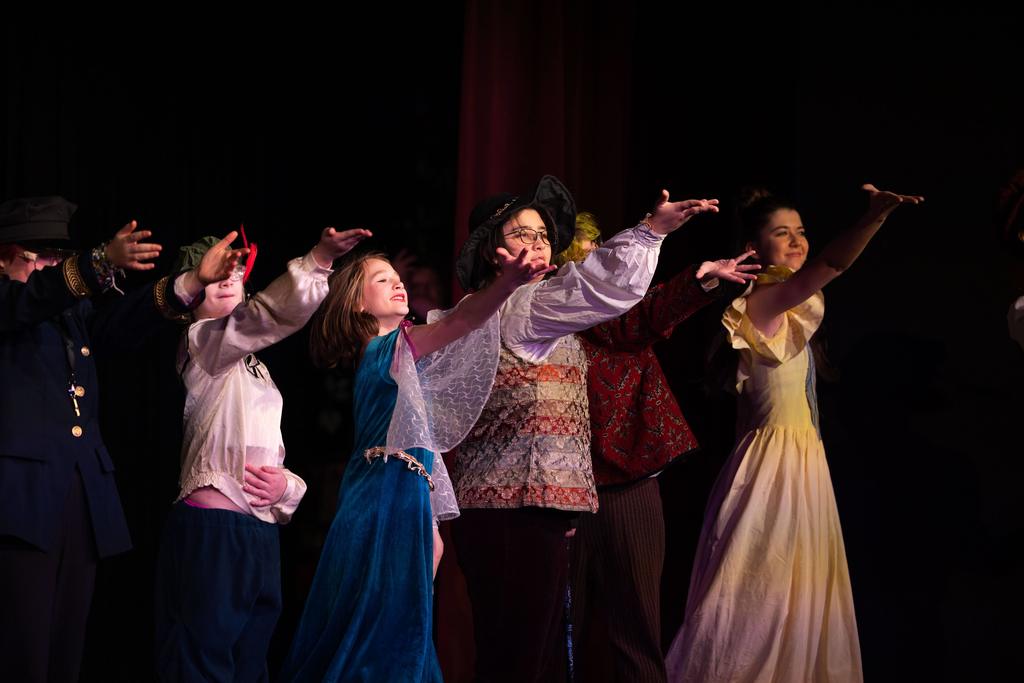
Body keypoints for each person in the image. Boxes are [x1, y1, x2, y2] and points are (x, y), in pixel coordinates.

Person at [449, 175, 720, 682]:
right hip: (515, 509)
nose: (537, 242)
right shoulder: (525, 306)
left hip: (527, 506)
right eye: (521, 234)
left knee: (529, 653)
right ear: (492, 252)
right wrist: (648, 232)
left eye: (543, 235)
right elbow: (599, 286)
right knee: (524, 657)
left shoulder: (512, 307)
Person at [665, 184, 923, 682]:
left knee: (802, 596)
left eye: (801, 231)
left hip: (804, 468)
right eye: (782, 233)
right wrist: (875, 217)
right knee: (759, 595)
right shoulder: (762, 302)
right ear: (755, 249)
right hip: (772, 472)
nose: (797, 240)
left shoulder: (789, 308)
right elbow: (832, 266)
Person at [280, 242, 551, 682]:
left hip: (398, 497)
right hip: (381, 501)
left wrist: (427, 522)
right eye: (382, 280)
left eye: (397, 277)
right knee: (380, 633)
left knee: (393, 626)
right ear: (356, 303)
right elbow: (463, 320)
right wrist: (505, 283)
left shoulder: (401, 354)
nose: (397, 283)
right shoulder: (385, 350)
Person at [0, 195, 241, 683]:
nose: (51, 265)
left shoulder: (71, 315)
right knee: (20, 651)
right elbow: (34, 299)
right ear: (4, 256)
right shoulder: (11, 302)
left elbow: (123, 322)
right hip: (19, 502)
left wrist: (192, 282)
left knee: (66, 650)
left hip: (80, 493)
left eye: (58, 256)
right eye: (38, 256)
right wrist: (98, 263)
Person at [153, 226, 371, 681]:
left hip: (259, 533)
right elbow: (260, 319)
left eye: (234, 273)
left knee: (252, 661)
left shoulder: (256, 368)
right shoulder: (203, 343)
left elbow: (268, 450)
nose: (228, 279)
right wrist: (318, 261)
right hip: (215, 527)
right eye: (213, 279)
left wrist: (287, 485)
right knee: (201, 657)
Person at [554, 210, 758, 682]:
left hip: (628, 483)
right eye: (588, 263)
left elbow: (648, 316)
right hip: (563, 488)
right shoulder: (551, 314)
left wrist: (700, 280)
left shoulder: (623, 313)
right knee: (562, 632)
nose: (604, 274)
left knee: (637, 631)